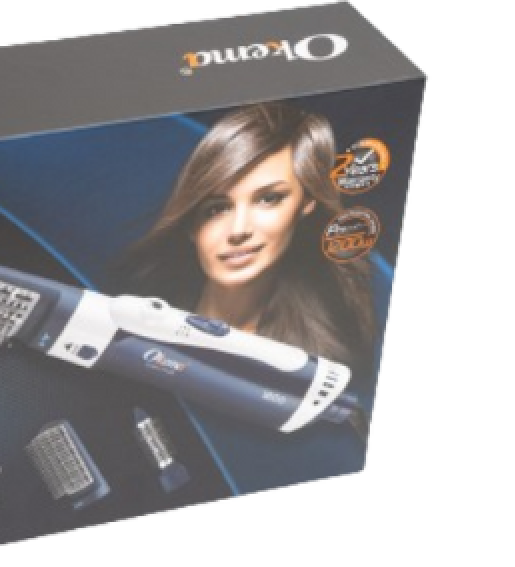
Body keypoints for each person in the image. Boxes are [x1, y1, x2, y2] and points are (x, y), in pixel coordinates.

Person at [124, 102, 375, 379]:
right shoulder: (132, 325)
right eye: (217, 208)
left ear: (307, 202)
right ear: (191, 223)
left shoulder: (323, 366)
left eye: (269, 199)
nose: (238, 230)